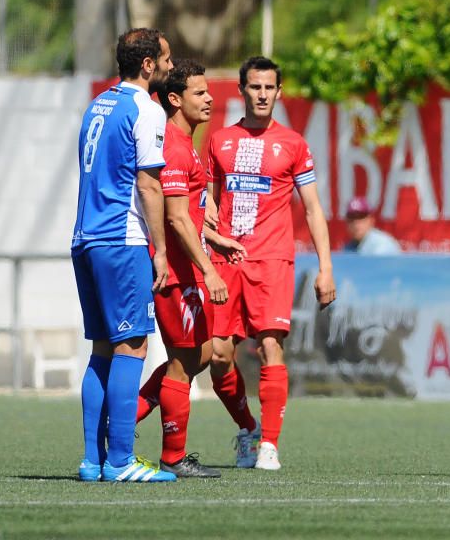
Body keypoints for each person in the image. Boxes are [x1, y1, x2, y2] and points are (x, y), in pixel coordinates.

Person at [207, 56, 336, 471]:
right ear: (242, 90)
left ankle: (270, 445)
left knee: (269, 347)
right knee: (219, 356)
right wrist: (208, 214)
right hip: (226, 259)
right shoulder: (219, 140)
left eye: (269, 88)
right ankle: (248, 429)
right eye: (254, 87)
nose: (262, 94)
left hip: (273, 259)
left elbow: (313, 209)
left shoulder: (294, 144)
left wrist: (325, 267)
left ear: (279, 92)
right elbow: (207, 195)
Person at [133, 59, 254, 478]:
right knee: (186, 360)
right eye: (200, 93)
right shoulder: (174, 146)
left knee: (200, 353)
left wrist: (215, 239)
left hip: (187, 268)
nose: (210, 98)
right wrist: (211, 270)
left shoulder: (185, 144)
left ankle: (121, 424)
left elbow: (188, 213)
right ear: (175, 99)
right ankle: (172, 456)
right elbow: (177, 219)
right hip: (177, 273)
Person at [72, 28, 176, 482]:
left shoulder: (98, 104)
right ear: (148, 64)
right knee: (133, 345)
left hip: (85, 239)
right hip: (122, 240)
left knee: (102, 349)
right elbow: (149, 184)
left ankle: (93, 461)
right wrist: (160, 251)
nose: (171, 66)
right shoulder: (146, 110)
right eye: (167, 59)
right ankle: (120, 462)